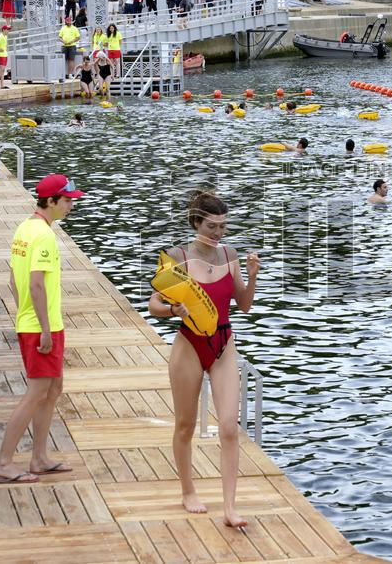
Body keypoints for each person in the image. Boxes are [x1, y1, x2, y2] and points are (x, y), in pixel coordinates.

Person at [146, 191, 259, 529]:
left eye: (223, 226)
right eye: (211, 226)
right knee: (185, 424)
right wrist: (171, 310)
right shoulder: (177, 256)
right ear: (196, 222)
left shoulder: (230, 254)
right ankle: (188, 490)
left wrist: (252, 275)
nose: (218, 233)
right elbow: (154, 305)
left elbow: (244, 305)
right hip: (189, 345)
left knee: (228, 427)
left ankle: (229, 507)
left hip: (224, 344)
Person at [0, 173, 85, 485]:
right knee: (35, 393)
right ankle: (4, 463)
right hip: (42, 327)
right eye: (68, 199)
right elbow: (34, 284)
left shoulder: (26, 228)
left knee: (53, 390)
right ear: (51, 200)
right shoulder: (43, 236)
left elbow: (11, 281)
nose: (72, 204)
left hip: (38, 322)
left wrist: (26, 316)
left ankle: (40, 458)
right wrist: (42, 328)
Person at [0, 25, 11, 90]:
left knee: (3, 70)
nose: (8, 31)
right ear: (4, 30)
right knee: (1, 69)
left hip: (5, 54)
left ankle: (2, 85)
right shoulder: (0, 36)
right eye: (7, 29)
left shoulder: (5, 36)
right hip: (1, 55)